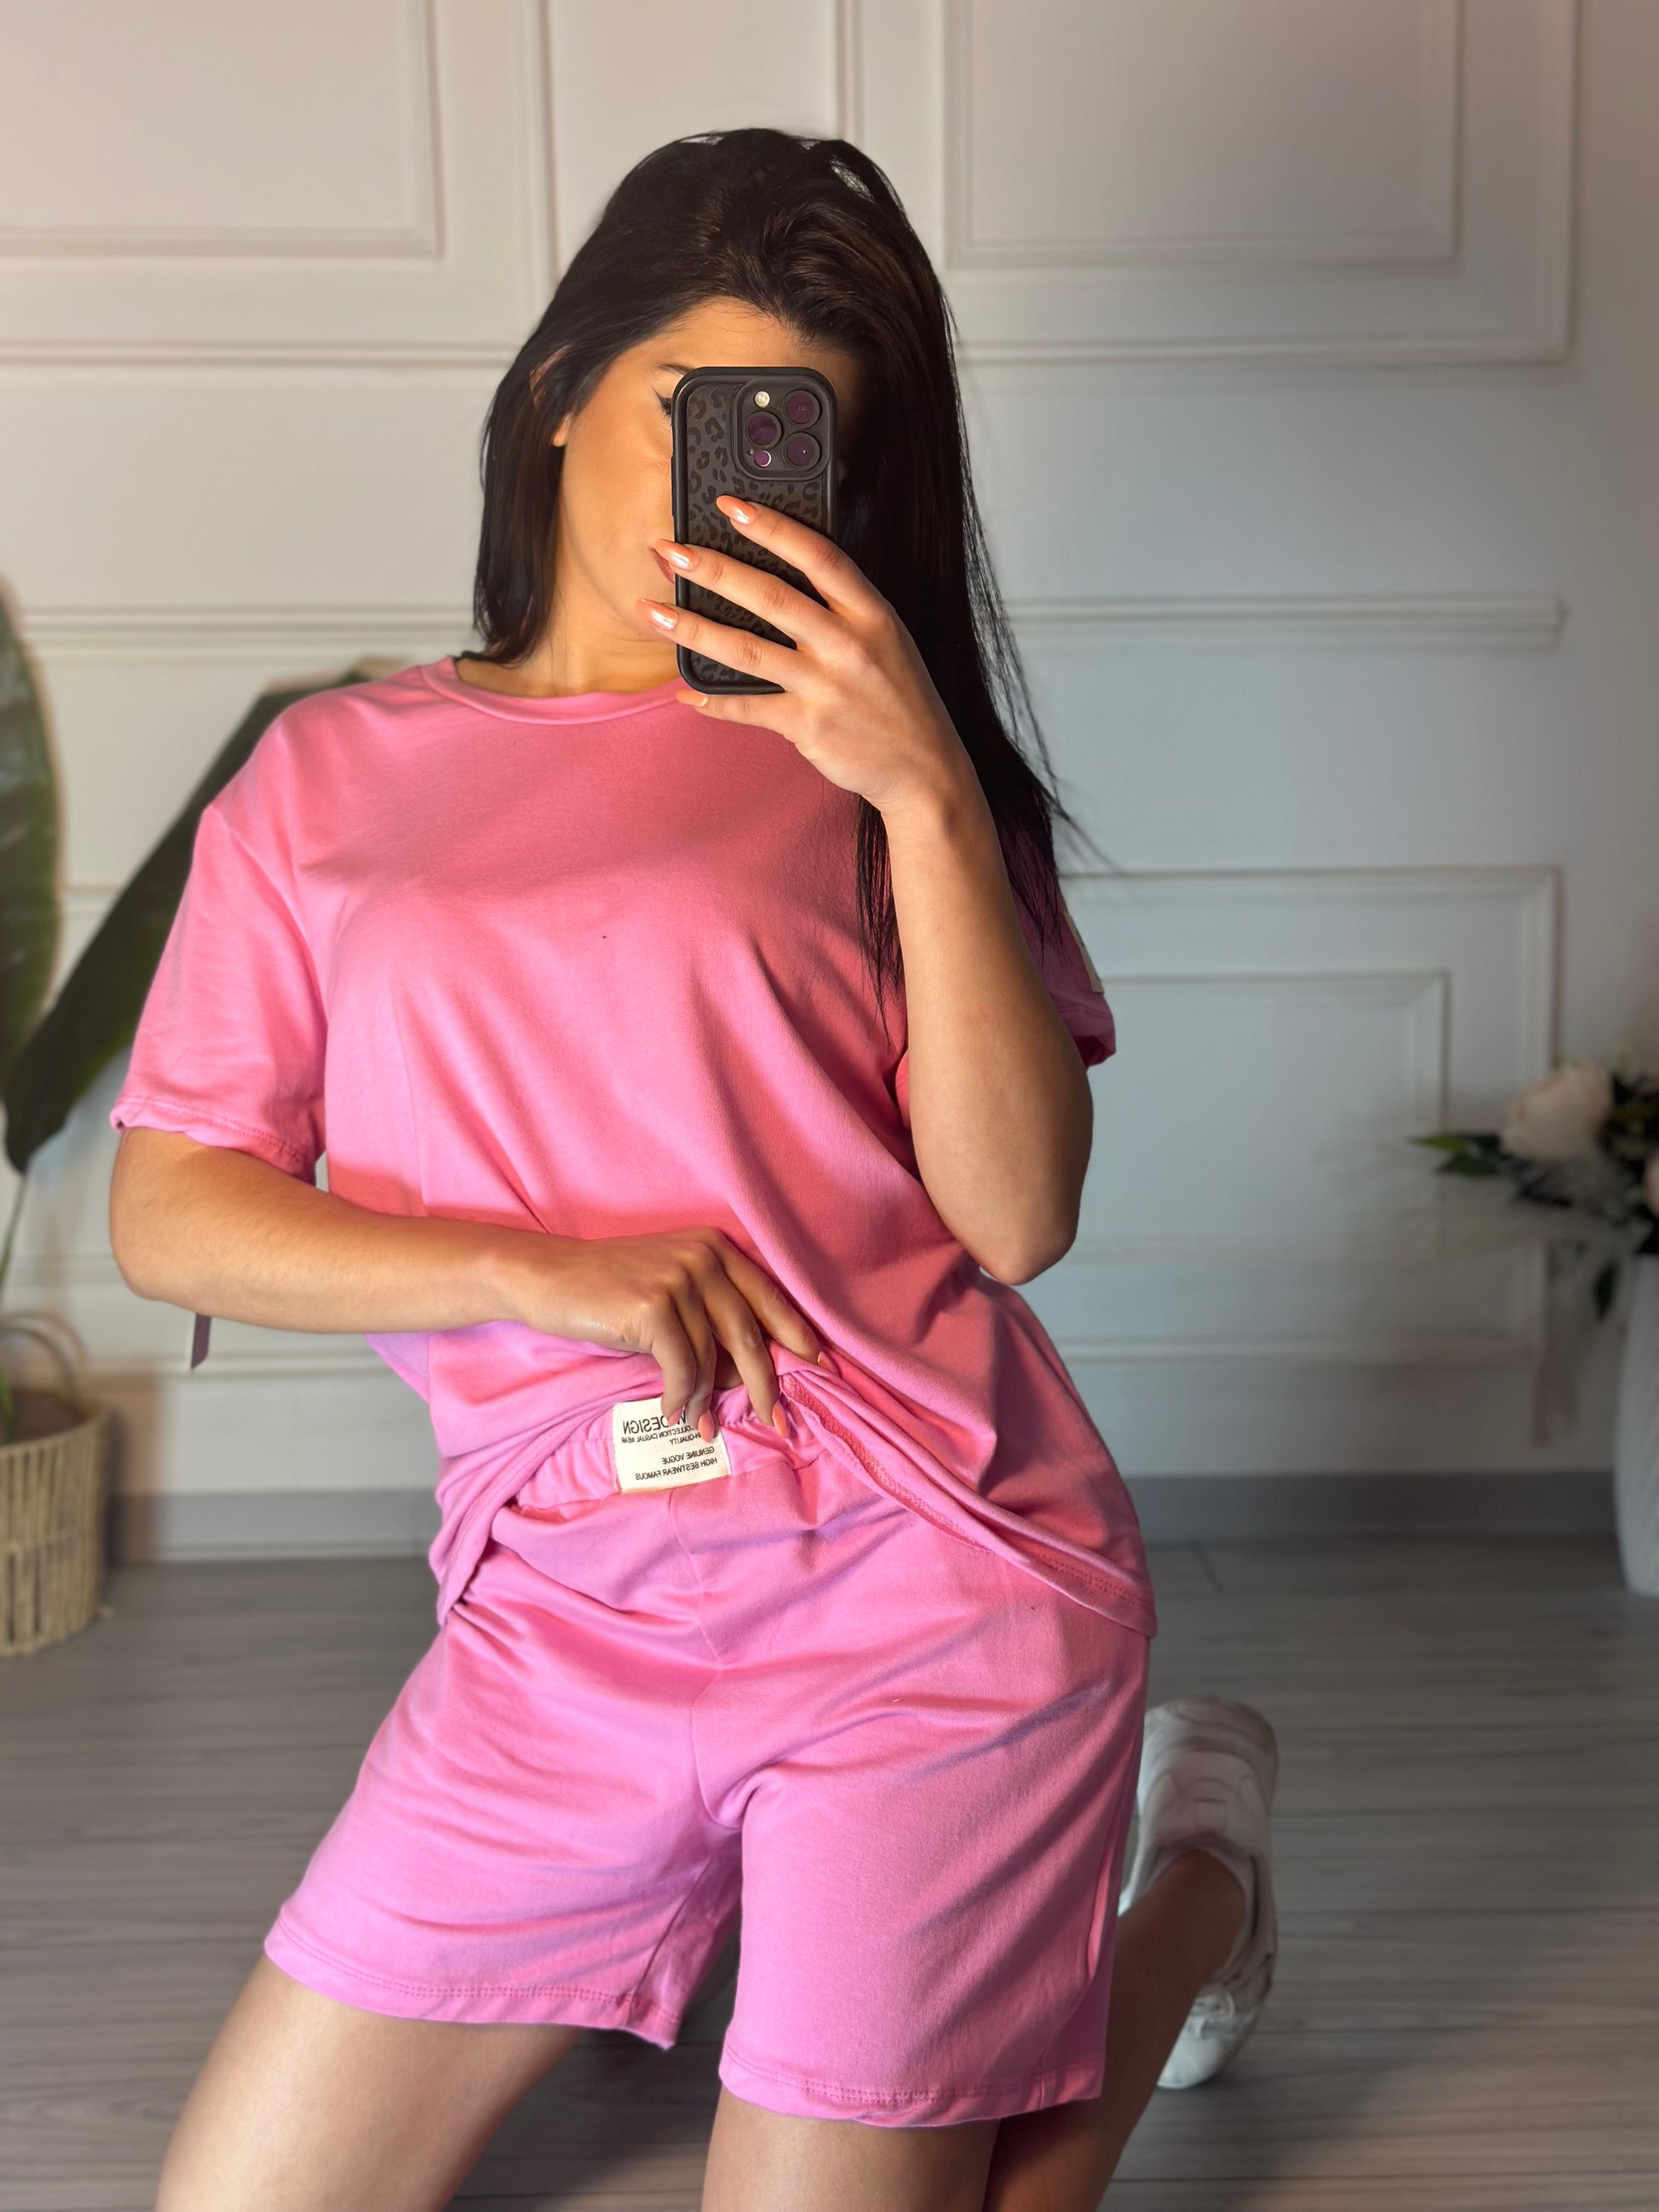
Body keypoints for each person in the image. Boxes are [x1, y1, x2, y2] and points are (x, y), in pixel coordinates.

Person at [107, 129, 1278, 2212]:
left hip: (927, 1584)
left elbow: (1018, 1213)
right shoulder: (324, 777)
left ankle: (1194, 1876)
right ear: (565, 385)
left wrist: (923, 786)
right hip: (561, 1613)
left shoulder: (877, 760)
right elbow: (172, 1207)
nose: (718, 487)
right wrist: (539, 1267)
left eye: (790, 439)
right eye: (691, 408)